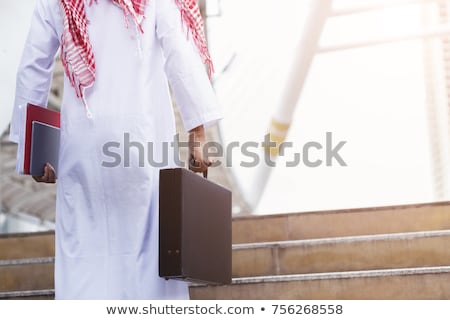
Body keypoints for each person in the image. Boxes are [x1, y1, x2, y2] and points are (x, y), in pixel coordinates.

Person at [9, 0, 222, 299]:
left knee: (83, 254)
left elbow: (33, 68)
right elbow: (180, 55)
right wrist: (198, 133)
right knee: (150, 258)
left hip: (82, 150)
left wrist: (33, 153)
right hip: (143, 145)